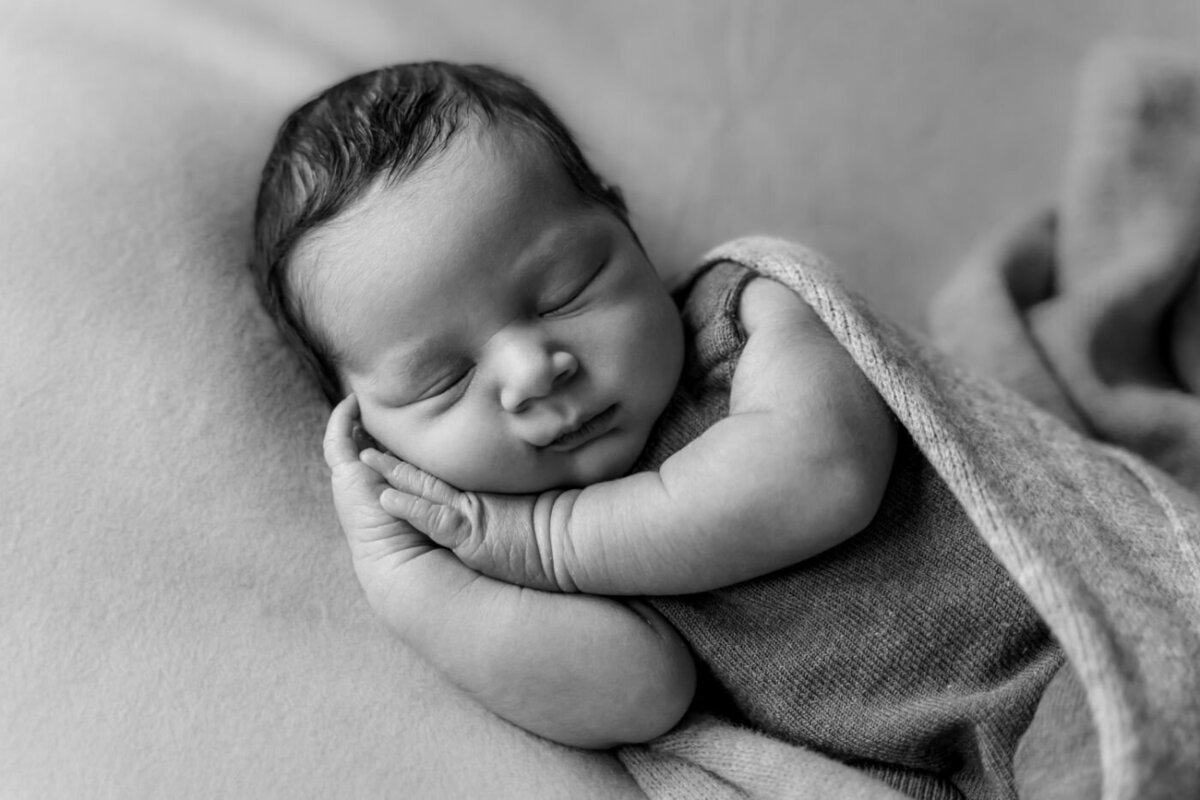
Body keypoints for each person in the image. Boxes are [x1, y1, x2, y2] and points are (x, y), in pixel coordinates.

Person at [253, 61, 1083, 799]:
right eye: (444, 379)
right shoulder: (502, 568)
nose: (534, 369)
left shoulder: (746, 312)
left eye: (564, 292)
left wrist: (545, 540)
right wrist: (407, 579)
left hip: (1069, 649)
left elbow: (822, 476)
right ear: (374, 436)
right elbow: (637, 693)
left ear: (631, 234)